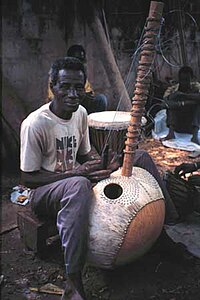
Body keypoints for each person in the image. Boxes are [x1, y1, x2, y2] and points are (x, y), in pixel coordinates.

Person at [20, 57, 191, 299]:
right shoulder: (35, 124)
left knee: (140, 156)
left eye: (79, 87)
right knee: (78, 184)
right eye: (65, 86)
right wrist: (76, 173)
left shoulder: (79, 113)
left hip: (73, 182)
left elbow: (83, 153)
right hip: (44, 192)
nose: (73, 94)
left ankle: (163, 234)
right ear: (52, 87)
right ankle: (73, 279)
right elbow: (28, 179)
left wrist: (102, 163)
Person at [163, 66, 200, 145]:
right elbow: (165, 104)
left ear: (192, 79)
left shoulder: (196, 87)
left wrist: (184, 96)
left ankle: (195, 136)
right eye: (182, 80)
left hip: (192, 125)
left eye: (187, 80)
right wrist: (182, 104)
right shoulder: (173, 89)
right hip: (177, 124)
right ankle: (171, 133)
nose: (184, 82)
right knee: (171, 105)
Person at [67, 44, 108, 114]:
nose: (79, 62)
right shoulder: (61, 73)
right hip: (67, 103)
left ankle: (93, 123)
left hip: (81, 102)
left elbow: (88, 93)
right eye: (76, 59)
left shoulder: (81, 73)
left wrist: (87, 96)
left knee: (101, 99)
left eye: (81, 60)